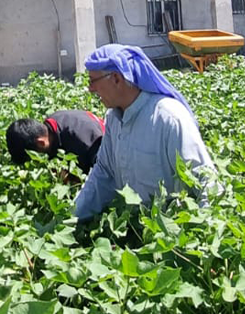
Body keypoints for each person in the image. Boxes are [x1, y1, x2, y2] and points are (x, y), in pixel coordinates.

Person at [74, 44, 216, 220]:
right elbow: (103, 173)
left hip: (171, 237)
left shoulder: (169, 118)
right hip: (134, 234)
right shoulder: (113, 119)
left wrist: (204, 232)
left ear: (116, 78)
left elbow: (206, 181)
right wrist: (71, 218)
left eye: (93, 81)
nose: (90, 89)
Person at [6, 110, 104, 173]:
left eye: (32, 158)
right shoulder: (53, 123)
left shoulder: (84, 140)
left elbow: (106, 174)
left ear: (41, 143)